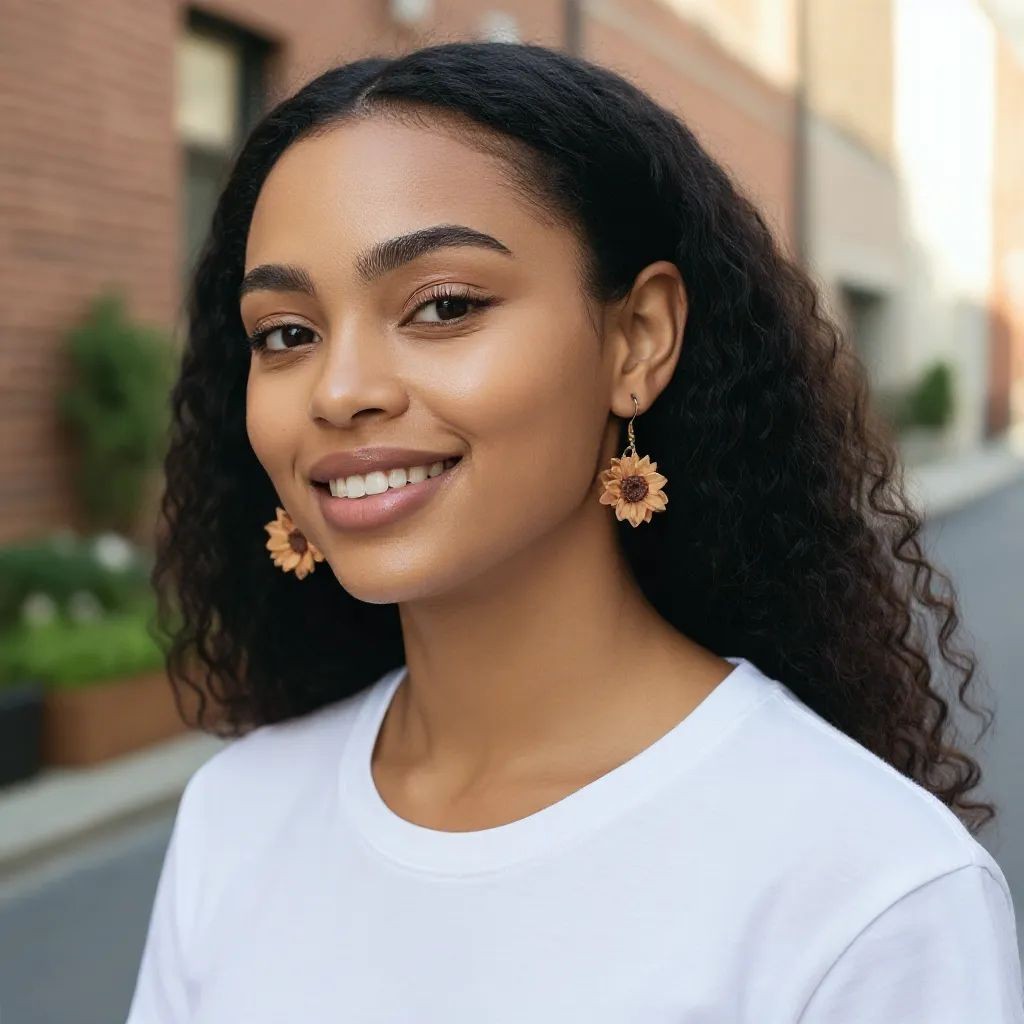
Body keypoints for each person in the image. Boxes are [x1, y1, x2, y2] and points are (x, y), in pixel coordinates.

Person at [126, 39, 1024, 1023]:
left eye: (443, 306)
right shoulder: (236, 816)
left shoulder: (868, 892)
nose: (338, 392)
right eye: (286, 334)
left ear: (637, 340)